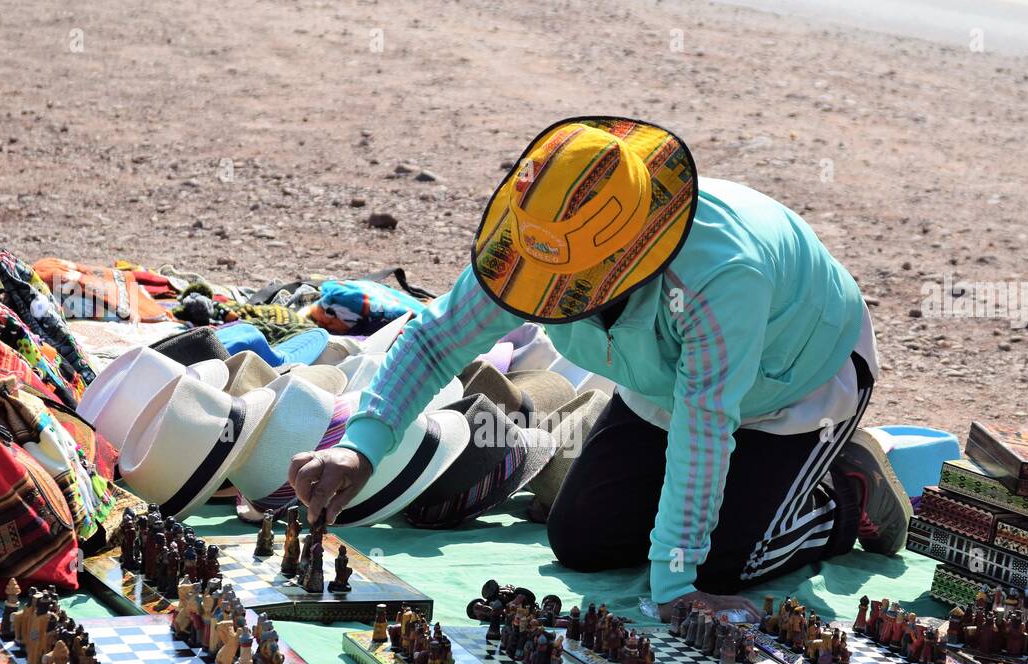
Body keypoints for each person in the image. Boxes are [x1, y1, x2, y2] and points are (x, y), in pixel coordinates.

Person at [288, 116, 910, 621]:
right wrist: (359, 449)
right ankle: (755, 504)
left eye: (569, 286)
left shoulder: (721, 275)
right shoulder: (528, 248)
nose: (546, 295)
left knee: (722, 565)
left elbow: (705, 425)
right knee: (583, 541)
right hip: (662, 386)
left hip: (793, 386)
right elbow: (433, 341)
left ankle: (842, 494)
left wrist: (676, 584)